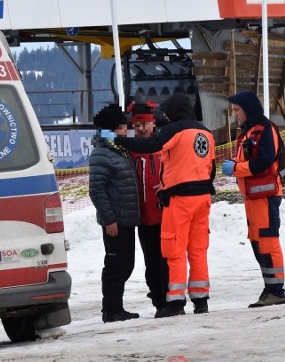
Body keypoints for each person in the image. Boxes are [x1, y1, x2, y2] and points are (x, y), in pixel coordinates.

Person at [115, 93, 215, 318]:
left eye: (167, 112)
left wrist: (119, 140)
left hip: (180, 200)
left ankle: (176, 302)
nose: (166, 117)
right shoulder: (206, 133)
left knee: (175, 250)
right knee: (198, 250)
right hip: (203, 198)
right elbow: (212, 168)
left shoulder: (175, 130)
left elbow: (151, 145)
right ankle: (201, 300)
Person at [222, 90, 285, 307]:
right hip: (254, 197)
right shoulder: (250, 132)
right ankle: (271, 288)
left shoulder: (264, 130)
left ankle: (276, 290)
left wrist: (236, 168)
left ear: (248, 110)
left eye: (237, 110)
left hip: (265, 195)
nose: (235, 115)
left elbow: (265, 161)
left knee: (267, 242)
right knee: (258, 243)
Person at [89, 103, 140, 323]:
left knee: (126, 264)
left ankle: (116, 307)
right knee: (115, 265)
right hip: (115, 221)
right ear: (111, 129)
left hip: (126, 219)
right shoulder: (102, 153)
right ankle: (111, 309)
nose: (125, 130)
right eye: (121, 127)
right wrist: (109, 219)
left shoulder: (118, 150)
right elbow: (96, 190)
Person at [127, 100, 169, 317]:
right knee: (151, 262)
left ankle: (170, 297)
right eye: (137, 125)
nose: (142, 129)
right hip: (143, 217)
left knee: (168, 260)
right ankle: (158, 298)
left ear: (153, 124)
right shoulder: (130, 150)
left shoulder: (163, 145)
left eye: (145, 125)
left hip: (166, 214)